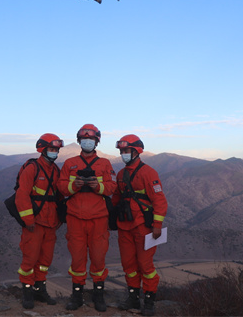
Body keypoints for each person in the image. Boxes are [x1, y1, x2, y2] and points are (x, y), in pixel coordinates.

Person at [58, 124, 117, 312]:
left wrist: (97, 186)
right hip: (75, 218)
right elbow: (61, 187)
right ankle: (77, 296)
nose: (87, 141)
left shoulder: (105, 164)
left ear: (96, 141)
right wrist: (74, 185)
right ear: (79, 141)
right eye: (84, 139)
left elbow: (112, 187)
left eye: (91, 139)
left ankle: (98, 295)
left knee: (98, 258)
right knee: (77, 259)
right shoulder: (69, 163)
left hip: (99, 219)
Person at [112, 134, 168, 317]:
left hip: (144, 227)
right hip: (124, 226)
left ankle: (149, 302)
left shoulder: (148, 173)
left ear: (136, 151)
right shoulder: (121, 174)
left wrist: (157, 224)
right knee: (128, 265)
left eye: (126, 150)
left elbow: (159, 201)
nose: (123, 154)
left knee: (145, 265)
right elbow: (116, 198)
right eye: (122, 151)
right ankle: (133, 298)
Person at [15, 133, 64, 309]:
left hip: (51, 224)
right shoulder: (32, 168)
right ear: (42, 149)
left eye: (56, 149)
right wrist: (28, 220)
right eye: (51, 149)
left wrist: (60, 218)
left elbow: (58, 196)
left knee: (45, 260)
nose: (54, 152)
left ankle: (40, 289)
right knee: (30, 258)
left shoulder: (56, 170)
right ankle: (27, 291)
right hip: (34, 224)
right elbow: (22, 195)